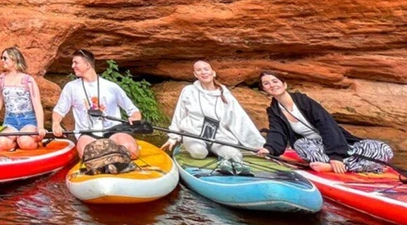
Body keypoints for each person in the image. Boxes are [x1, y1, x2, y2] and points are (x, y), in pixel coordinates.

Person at [255, 70, 395, 174]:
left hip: (337, 144)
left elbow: (327, 125)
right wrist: (269, 148)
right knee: (300, 144)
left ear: (284, 84)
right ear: (264, 90)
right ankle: (362, 165)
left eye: (275, 81)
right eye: (266, 83)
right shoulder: (274, 110)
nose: (272, 85)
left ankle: (339, 166)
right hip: (315, 149)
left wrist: (335, 155)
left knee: (383, 149)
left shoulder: (304, 102)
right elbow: (277, 132)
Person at [161, 60, 263, 174]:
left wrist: (258, 145)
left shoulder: (224, 93)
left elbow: (239, 119)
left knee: (233, 154)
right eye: (199, 70)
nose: (203, 72)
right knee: (199, 153)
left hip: (219, 136)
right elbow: (179, 114)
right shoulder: (188, 91)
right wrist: (173, 137)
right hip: (194, 134)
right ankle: (213, 153)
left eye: (206, 69)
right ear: (195, 74)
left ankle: (225, 160)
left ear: (213, 72)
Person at [52, 49, 142, 157]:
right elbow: (59, 110)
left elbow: (133, 110)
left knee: (131, 149)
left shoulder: (111, 87)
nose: (72, 66)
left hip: (113, 130)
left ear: (87, 65)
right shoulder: (71, 87)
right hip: (87, 133)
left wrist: (135, 117)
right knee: (89, 153)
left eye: (76, 63)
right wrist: (56, 123)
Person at [0, 46, 45, 151]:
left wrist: (40, 127)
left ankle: (26, 141)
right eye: (2, 58)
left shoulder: (28, 80)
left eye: (5, 58)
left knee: (25, 142)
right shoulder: (2, 79)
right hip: (10, 120)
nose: (2, 61)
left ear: (14, 59)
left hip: (28, 120)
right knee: (2, 143)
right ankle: (15, 144)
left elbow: (37, 105)